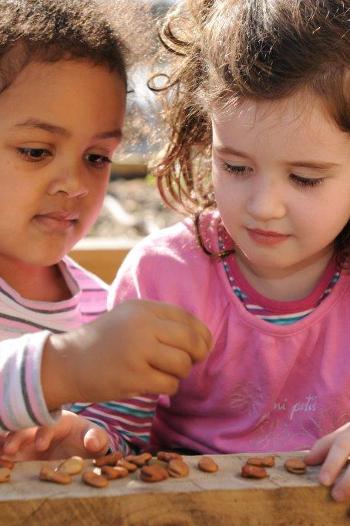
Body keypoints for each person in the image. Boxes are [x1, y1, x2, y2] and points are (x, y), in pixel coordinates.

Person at [58, 0, 350, 502]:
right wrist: (86, 438)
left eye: (305, 178)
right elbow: (115, 436)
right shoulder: (165, 277)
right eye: (235, 167)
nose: (263, 206)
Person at [0, 0, 212, 461]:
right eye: (36, 151)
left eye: (96, 158)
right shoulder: (93, 343)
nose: (75, 184)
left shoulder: (104, 308)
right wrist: (65, 366)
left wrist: (94, 439)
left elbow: (121, 440)